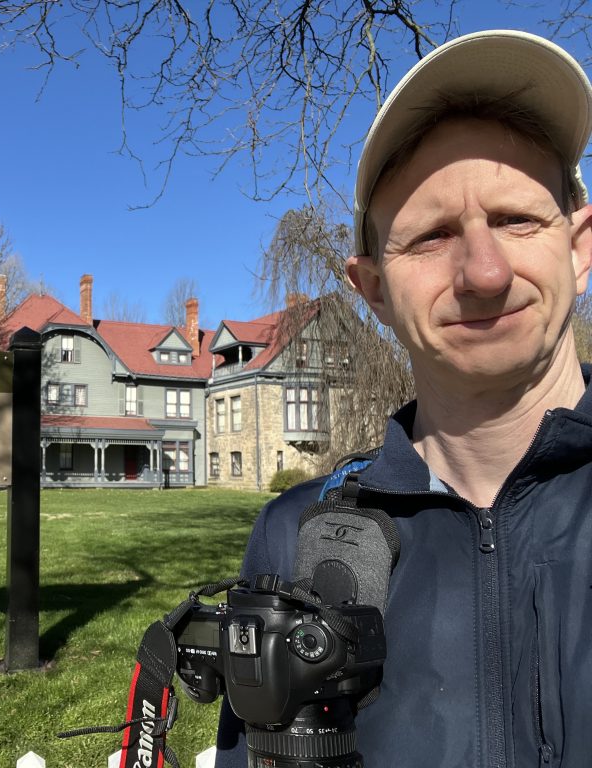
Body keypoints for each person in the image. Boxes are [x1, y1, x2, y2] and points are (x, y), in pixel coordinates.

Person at [215, 29, 592, 768]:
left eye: (516, 219)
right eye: (432, 236)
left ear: (579, 247)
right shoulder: (298, 540)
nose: (484, 272)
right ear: (374, 291)